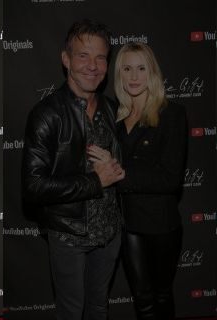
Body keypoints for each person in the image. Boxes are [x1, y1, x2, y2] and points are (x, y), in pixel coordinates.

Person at [21, 19, 125, 320]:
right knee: (70, 311)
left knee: (98, 307)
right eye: (83, 55)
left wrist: (115, 169)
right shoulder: (46, 114)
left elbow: (119, 169)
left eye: (101, 57)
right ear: (66, 59)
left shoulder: (111, 108)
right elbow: (33, 187)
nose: (93, 65)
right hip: (69, 235)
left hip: (109, 232)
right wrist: (95, 181)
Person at [108, 42, 186, 319]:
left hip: (160, 225)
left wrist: (119, 173)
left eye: (141, 68)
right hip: (128, 226)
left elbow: (170, 178)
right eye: (127, 69)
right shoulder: (115, 118)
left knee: (161, 296)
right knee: (142, 300)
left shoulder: (171, 115)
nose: (134, 76)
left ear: (152, 72)